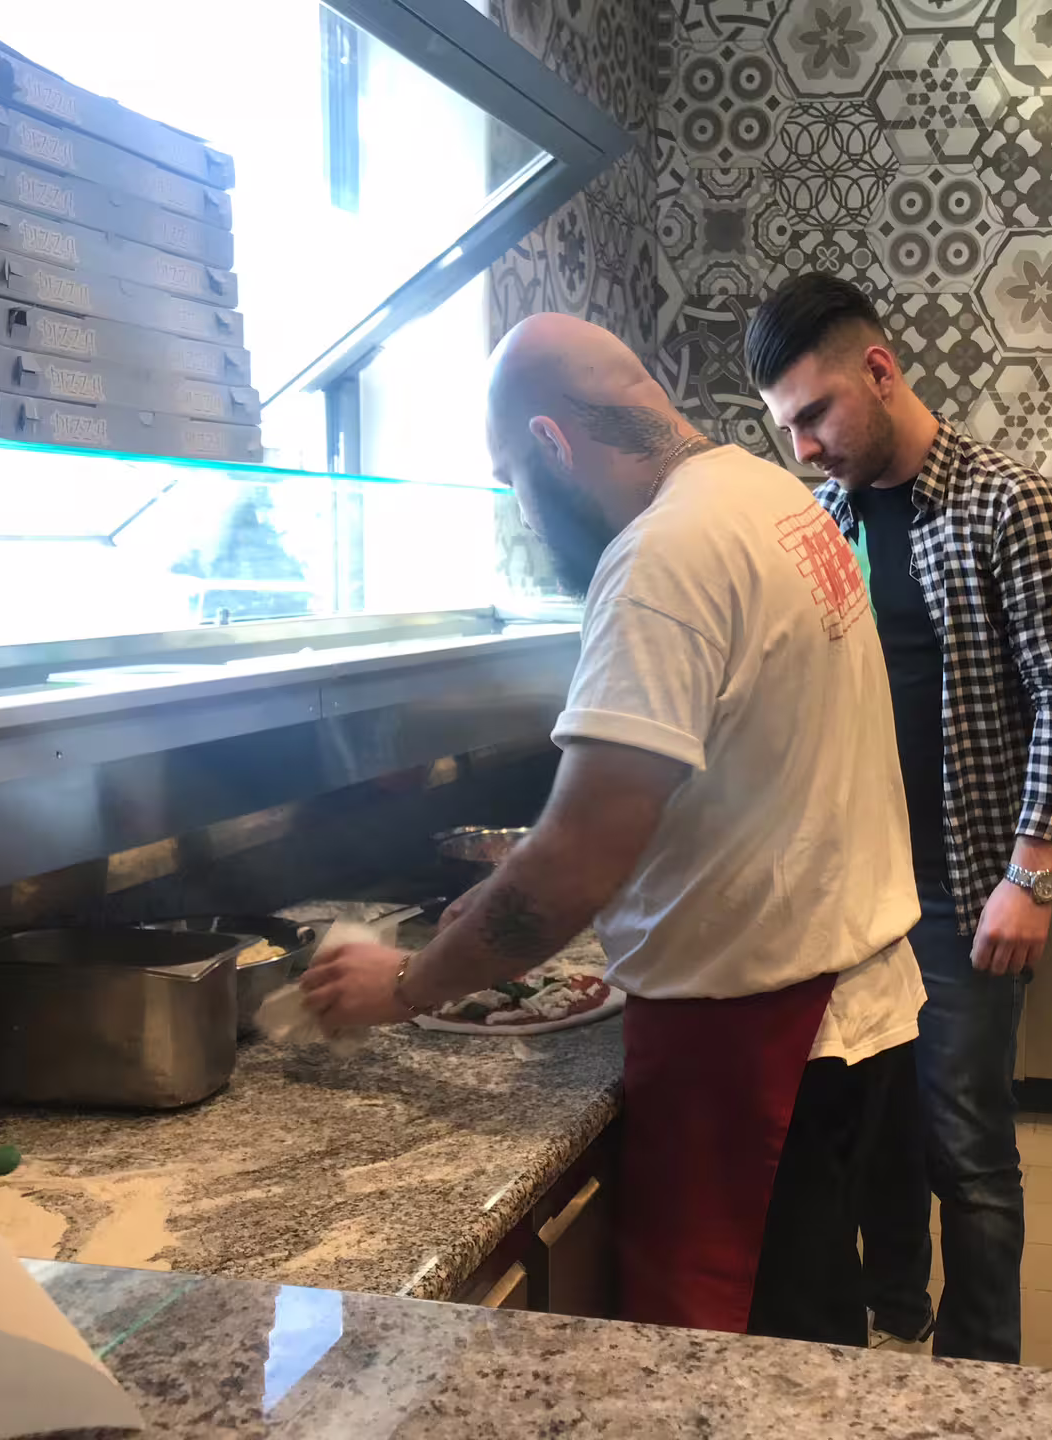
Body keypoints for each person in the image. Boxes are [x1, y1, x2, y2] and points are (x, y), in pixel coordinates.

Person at [301, 313, 926, 1346]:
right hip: (856, 1009)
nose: (520, 506)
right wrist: (495, 911)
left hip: (760, 1042)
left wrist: (403, 985)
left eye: (512, 476)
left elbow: (573, 862)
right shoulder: (767, 496)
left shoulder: (660, 560)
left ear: (551, 444)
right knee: (808, 1357)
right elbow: (734, 768)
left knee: (732, 1376)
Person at [746, 275, 1052, 1363]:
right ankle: (898, 1336)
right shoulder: (827, 520)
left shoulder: (1010, 504)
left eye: (814, 415)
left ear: (880, 371)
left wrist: (1031, 871)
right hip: (854, 896)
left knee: (969, 1152)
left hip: (964, 893)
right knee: (878, 1141)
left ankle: (984, 1377)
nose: (804, 448)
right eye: (785, 427)